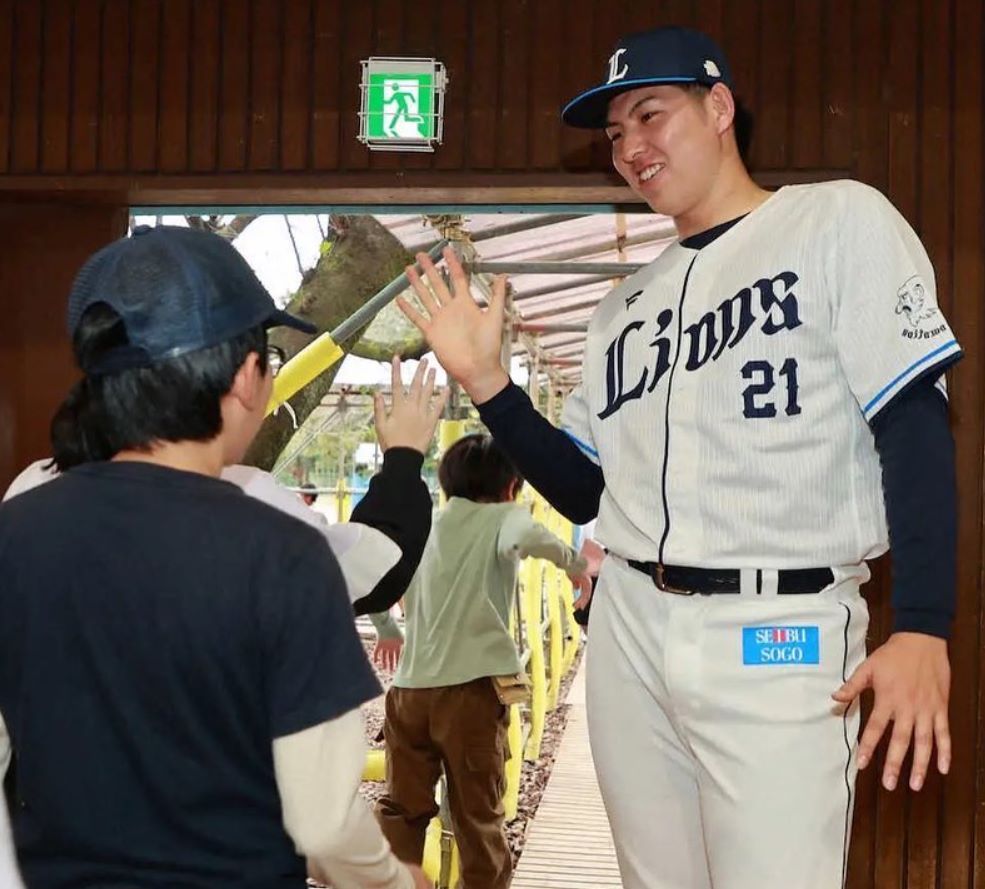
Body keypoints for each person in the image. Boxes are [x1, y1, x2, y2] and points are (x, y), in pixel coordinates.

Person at [395, 25, 961, 889]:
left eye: (650, 115)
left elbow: (911, 424)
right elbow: (584, 487)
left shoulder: (835, 216)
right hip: (630, 626)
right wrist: (488, 385)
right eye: (615, 133)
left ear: (720, 107)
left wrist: (922, 624)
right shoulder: (623, 306)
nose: (630, 147)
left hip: (780, 623)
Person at [0, 225, 433, 889]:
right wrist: (394, 881)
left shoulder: (17, 529)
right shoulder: (282, 551)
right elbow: (319, 822)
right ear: (246, 378)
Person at [375, 434, 590, 889]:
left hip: (409, 692)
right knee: (478, 818)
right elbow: (526, 535)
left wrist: (388, 629)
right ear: (512, 486)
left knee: (401, 812)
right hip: (468, 695)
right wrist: (577, 565)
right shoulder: (503, 517)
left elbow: (377, 574)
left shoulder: (426, 524)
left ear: (447, 483)